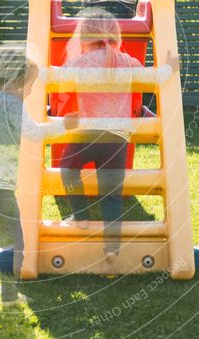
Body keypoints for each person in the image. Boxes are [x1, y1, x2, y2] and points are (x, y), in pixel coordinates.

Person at [0, 42, 73, 308]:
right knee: (14, 237)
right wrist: (64, 125)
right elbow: (33, 133)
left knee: (7, 229)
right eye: (30, 85)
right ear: (17, 81)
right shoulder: (11, 103)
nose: (32, 89)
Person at [59, 16, 143, 273]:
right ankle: (112, 252)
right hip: (118, 139)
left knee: (68, 167)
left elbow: (60, 77)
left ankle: (81, 215)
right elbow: (143, 71)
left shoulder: (82, 62)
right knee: (111, 197)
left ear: (84, 39)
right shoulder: (125, 61)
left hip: (89, 134)